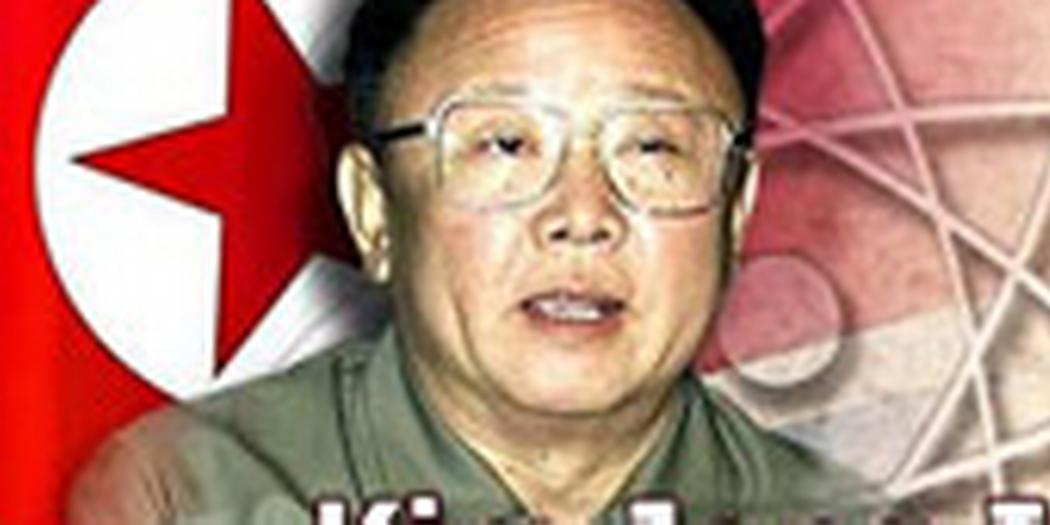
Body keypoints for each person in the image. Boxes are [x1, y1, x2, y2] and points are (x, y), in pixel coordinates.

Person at [69, 0, 876, 522]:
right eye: (505, 144)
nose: (582, 217)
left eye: (652, 147)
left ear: (735, 212)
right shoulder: (181, 493)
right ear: (374, 212)